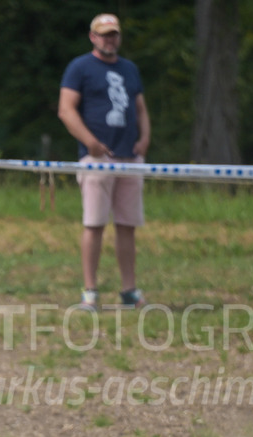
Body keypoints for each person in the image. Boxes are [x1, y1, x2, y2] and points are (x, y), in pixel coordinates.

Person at [58, 12, 151, 311]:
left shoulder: (129, 69)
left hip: (129, 158)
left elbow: (140, 109)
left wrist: (145, 139)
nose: (110, 39)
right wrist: (90, 143)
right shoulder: (79, 67)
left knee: (127, 226)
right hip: (96, 161)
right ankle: (90, 292)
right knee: (94, 224)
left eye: (114, 34)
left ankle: (129, 291)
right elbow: (66, 110)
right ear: (93, 37)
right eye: (104, 34)